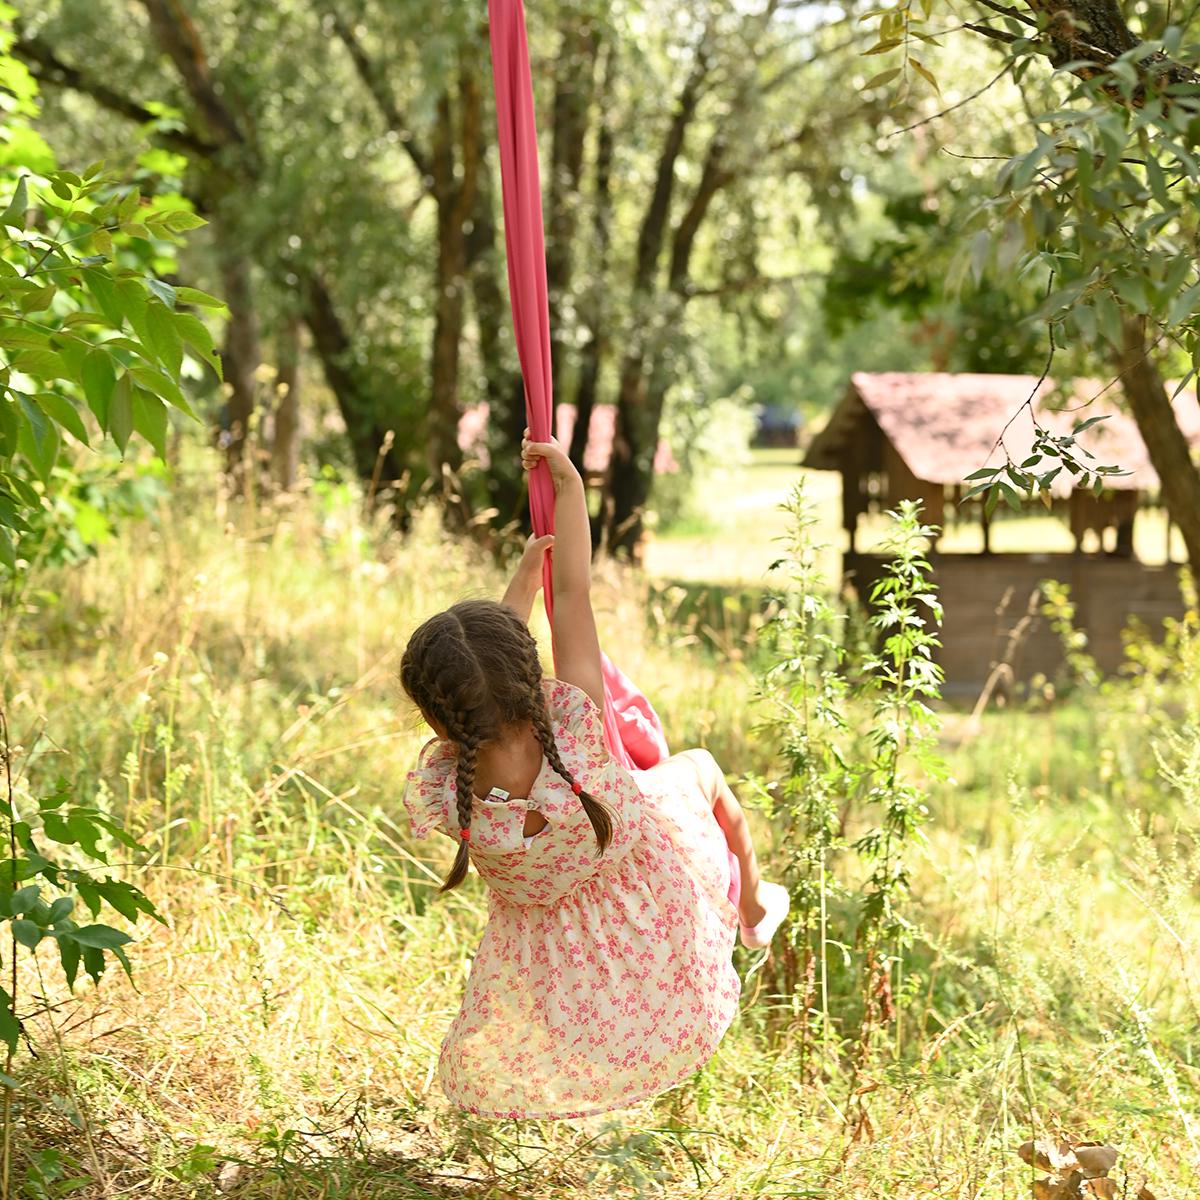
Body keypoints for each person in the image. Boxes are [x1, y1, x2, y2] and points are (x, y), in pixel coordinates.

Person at [400, 432, 789, 1119]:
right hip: (642, 905)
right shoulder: (574, 732)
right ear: (529, 673)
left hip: (562, 962)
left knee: (680, 772)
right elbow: (574, 595)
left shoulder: (451, 787)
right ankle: (755, 908)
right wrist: (570, 490)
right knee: (700, 770)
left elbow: (480, 683)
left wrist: (517, 587)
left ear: (441, 720)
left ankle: (753, 909)